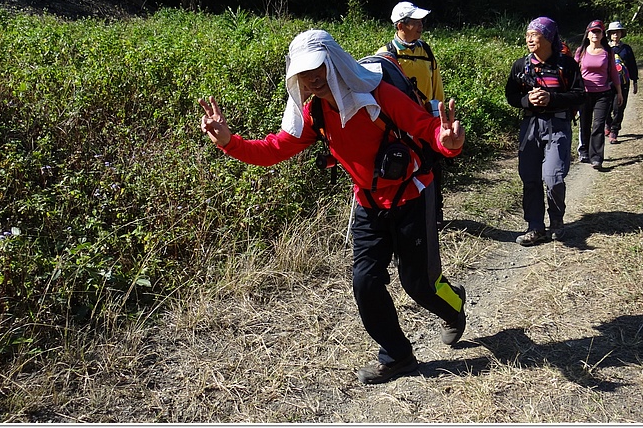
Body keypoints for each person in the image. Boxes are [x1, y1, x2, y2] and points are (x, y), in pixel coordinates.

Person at [198, 29, 467, 385]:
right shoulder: (316, 113)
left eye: (317, 69)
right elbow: (273, 149)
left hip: (413, 196)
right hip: (369, 204)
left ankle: (454, 306)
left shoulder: (380, 95)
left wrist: (448, 143)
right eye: (303, 75)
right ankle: (398, 355)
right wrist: (230, 142)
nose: (312, 80)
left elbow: (427, 127)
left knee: (418, 285)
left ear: (334, 63)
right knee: (365, 282)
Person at [505, 17, 586, 246]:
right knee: (530, 178)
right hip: (530, 126)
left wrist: (552, 98)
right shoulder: (521, 66)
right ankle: (535, 227)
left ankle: (557, 219)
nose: (529, 39)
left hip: (558, 125)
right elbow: (511, 96)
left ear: (548, 38)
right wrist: (526, 100)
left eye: (535, 34)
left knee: (553, 177)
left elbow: (580, 95)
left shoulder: (567, 66)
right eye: (528, 34)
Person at [377, 1, 447, 229]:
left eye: (420, 22)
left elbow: (436, 85)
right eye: (415, 22)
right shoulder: (386, 54)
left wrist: (440, 115)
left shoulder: (425, 51)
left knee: (432, 166)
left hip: (427, 120)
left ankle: (435, 212)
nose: (420, 26)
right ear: (400, 25)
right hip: (400, 124)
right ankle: (404, 211)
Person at [574, 20, 624, 170]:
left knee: (598, 125)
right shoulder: (581, 51)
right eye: (593, 31)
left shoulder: (608, 52)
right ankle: (584, 152)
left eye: (598, 32)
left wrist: (619, 92)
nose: (595, 34)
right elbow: (573, 72)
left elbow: (614, 73)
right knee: (585, 124)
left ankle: (596, 158)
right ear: (588, 34)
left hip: (603, 94)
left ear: (602, 35)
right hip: (585, 94)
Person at [605, 21, 639, 144]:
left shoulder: (626, 49)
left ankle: (614, 130)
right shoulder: (605, 48)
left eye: (617, 32)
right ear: (609, 34)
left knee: (619, 107)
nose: (615, 35)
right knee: (606, 107)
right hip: (607, 83)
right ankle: (607, 124)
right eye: (613, 33)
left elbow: (632, 65)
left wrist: (635, 81)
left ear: (621, 34)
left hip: (623, 82)